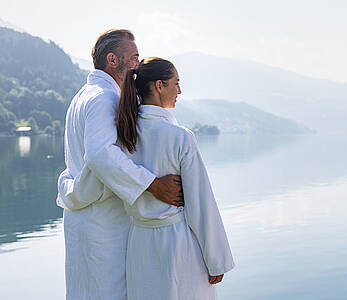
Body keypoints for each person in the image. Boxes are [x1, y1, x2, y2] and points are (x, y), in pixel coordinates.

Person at [56, 30, 183, 300]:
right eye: (134, 57)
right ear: (113, 60)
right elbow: (101, 154)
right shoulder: (105, 98)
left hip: (84, 218)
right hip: (103, 223)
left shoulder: (83, 95)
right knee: (108, 292)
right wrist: (152, 184)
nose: (138, 64)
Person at [116, 57, 234, 300]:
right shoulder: (180, 137)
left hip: (139, 244)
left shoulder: (124, 134)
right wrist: (217, 260)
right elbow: (201, 204)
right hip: (177, 246)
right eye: (175, 83)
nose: (179, 90)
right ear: (159, 86)